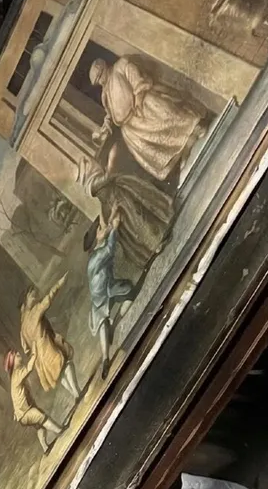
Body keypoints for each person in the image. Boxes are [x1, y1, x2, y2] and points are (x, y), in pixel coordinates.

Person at [89, 57, 206, 183]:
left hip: (141, 103)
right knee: (138, 141)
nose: (100, 82)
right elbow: (110, 115)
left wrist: (139, 98)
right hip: (130, 125)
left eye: (99, 77)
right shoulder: (104, 94)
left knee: (160, 110)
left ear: (104, 68)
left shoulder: (120, 66)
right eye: (98, 81)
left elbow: (136, 79)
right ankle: (182, 151)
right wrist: (104, 128)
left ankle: (195, 129)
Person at [77, 153, 174, 282]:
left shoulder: (95, 185)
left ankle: (157, 240)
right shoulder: (96, 183)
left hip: (120, 199)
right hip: (119, 202)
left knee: (139, 220)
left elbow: (108, 180)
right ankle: (154, 245)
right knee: (136, 225)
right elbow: (108, 179)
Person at [83, 209, 135, 380]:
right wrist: (115, 228)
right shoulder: (98, 256)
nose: (102, 228)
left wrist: (112, 212)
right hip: (106, 290)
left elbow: (105, 238)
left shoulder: (94, 255)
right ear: (96, 239)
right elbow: (110, 249)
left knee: (102, 322)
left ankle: (106, 357)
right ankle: (115, 325)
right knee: (130, 291)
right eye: (100, 229)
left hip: (99, 295)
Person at [19, 276, 81, 403]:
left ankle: (75, 394)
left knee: (59, 372)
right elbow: (48, 299)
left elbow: (26, 349)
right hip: (48, 347)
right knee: (66, 363)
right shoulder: (34, 312)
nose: (35, 298)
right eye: (32, 296)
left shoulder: (22, 328)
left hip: (40, 357)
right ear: (25, 301)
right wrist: (59, 283)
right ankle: (77, 392)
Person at [5, 349, 64, 454]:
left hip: (24, 412)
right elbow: (29, 368)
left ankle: (45, 447)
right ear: (13, 362)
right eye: (17, 356)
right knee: (41, 417)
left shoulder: (16, 374)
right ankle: (59, 430)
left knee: (39, 426)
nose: (20, 355)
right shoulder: (17, 374)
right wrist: (34, 355)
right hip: (25, 413)